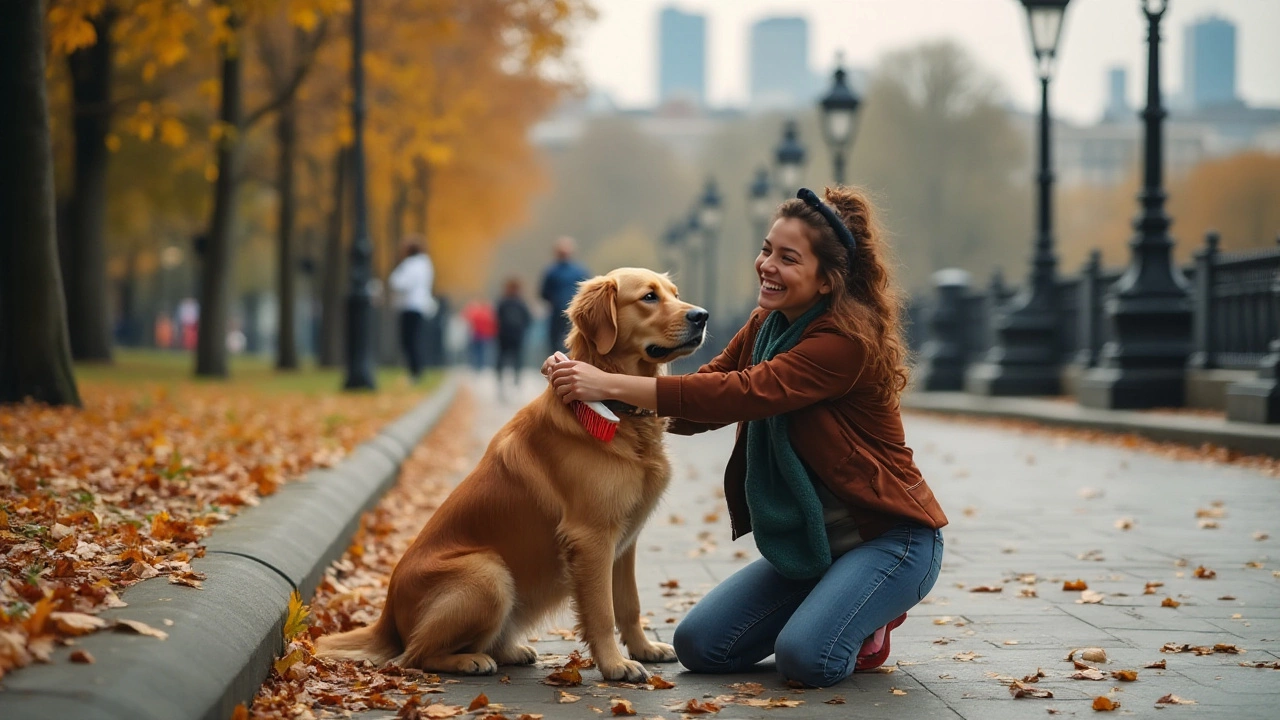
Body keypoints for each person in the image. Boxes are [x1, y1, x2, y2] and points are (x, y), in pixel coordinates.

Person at [545, 186, 948, 688]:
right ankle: (833, 597)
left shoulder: (843, 344)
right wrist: (584, 378)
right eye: (766, 250)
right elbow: (693, 409)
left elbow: (740, 393)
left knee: (808, 660)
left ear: (826, 281)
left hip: (891, 541)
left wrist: (607, 383)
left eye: (788, 258)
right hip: (814, 549)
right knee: (701, 645)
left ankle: (867, 616)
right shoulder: (765, 325)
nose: (767, 265)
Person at [388, 236, 437, 382]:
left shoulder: (411, 264)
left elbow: (398, 282)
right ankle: (416, 372)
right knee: (415, 340)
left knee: (409, 341)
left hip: (410, 305)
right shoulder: (426, 264)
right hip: (420, 306)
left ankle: (415, 372)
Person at [539, 236, 590, 355]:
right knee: (557, 341)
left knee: (571, 339)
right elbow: (544, 292)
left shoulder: (578, 271)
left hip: (573, 312)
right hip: (558, 312)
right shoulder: (552, 271)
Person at [495, 277, 533, 394]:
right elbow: (528, 319)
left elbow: (497, 317)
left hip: (504, 335)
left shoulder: (503, 302)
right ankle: (516, 379)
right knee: (517, 359)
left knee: (502, 358)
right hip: (517, 335)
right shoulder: (521, 303)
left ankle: (501, 380)